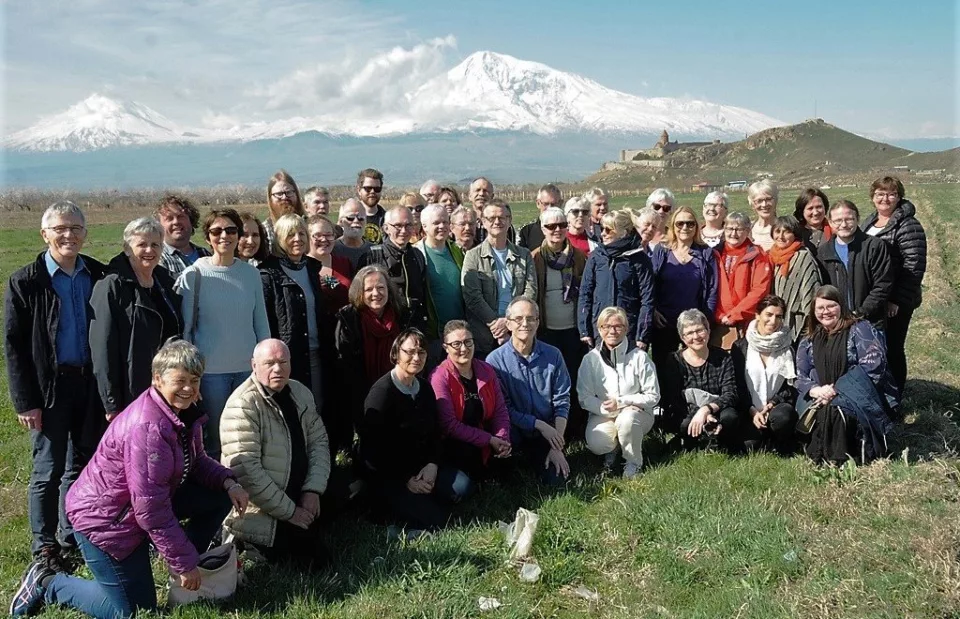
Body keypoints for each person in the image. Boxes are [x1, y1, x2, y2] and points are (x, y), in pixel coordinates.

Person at [12, 340, 249, 619]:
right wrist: (183, 563)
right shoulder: (148, 428)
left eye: (195, 380)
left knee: (217, 494)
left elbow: (195, 462)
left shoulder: (182, 412)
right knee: (132, 611)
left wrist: (228, 482)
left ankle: (179, 556)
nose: (189, 388)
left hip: (137, 508)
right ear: (157, 379)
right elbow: (151, 509)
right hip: (105, 521)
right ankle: (48, 583)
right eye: (180, 380)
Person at [5, 201, 106, 573]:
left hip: (89, 383)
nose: (69, 235)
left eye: (76, 228)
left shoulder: (97, 273)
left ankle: (71, 534)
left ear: (85, 233)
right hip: (50, 389)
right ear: (44, 234)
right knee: (47, 469)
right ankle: (44, 546)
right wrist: (25, 401)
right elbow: (13, 346)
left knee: (80, 466)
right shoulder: (26, 281)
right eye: (60, 229)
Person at [220, 339, 330, 569]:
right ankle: (248, 543)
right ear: (254, 365)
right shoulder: (242, 405)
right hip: (264, 508)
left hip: (299, 490)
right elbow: (248, 474)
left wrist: (313, 490)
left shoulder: (300, 392)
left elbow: (319, 441)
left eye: (283, 362)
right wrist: (291, 512)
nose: (278, 369)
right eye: (269, 363)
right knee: (305, 562)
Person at [177, 208, 270, 460]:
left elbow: (260, 322)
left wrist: (265, 365)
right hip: (211, 374)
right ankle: (219, 490)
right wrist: (190, 374)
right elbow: (186, 329)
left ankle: (248, 487)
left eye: (231, 230)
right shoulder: (194, 275)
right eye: (216, 231)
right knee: (216, 437)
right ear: (207, 237)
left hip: (247, 371)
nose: (224, 236)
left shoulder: (250, 274)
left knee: (247, 433)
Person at [357, 329, 452, 531]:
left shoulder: (425, 389)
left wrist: (432, 464)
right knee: (437, 520)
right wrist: (406, 479)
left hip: (422, 467)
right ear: (396, 354)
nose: (416, 358)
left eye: (422, 352)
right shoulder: (381, 394)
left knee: (462, 489)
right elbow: (373, 450)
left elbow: (435, 431)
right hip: (391, 473)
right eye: (410, 352)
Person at [89, 217, 182, 423]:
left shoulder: (165, 282)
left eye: (155, 245)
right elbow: (102, 348)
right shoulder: (111, 286)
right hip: (131, 388)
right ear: (127, 248)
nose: (149, 250)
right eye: (142, 244)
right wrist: (111, 403)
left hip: (167, 385)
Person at [795, 285, 897, 464]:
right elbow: (800, 374)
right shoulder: (808, 339)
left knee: (837, 410)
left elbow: (873, 364)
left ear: (841, 306)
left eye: (831, 306)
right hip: (820, 394)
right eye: (820, 308)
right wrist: (816, 391)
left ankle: (844, 458)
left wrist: (836, 390)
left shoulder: (860, 329)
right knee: (820, 410)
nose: (826, 312)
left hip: (858, 391)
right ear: (813, 311)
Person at [487, 298, 572, 486]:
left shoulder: (554, 355)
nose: (525, 324)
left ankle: (544, 456)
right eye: (518, 319)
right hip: (514, 429)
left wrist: (556, 444)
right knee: (506, 482)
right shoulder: (494, 361)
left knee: (556, 481)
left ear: (538, 322)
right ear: (508, 323)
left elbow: (562, 401)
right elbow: (503, 408)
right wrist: (538, 424)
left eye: (530, 318)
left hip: (547, 432)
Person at [429, 321, 512, 500]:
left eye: (468, 342)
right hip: (454, 443)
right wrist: (489, 440)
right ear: (446, 347)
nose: (463, 349)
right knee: (464, 488)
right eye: (456, 344)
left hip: (484, 436)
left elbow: (500, 409)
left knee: (512, 451)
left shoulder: (486, 370)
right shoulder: (438, 377)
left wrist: (502, 437)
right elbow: (449, 425)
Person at [860, 176, 927, 394]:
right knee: (875, 346)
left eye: (891, 194)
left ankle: (895, 395)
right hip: (875, 297)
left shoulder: (908, 225)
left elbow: (914, 266)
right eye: (880, 194)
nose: (885, 199)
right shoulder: (870, 222)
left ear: (899, 197)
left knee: (893, 348)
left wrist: (896, 299)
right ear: (873, 197)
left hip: (895, 300)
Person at [577, 307, 660, 479]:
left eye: (618, 326)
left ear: (626, 328)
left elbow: (653, 395)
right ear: (599, 329)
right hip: (604, 413)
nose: (612, 331)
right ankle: (614, 449)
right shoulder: (590, 359)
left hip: (637, 413)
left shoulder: (640, 357)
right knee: (597, 444)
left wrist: (623, 403)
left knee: (627, 420)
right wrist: (605, 408)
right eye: (606, 327)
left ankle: (633, 462)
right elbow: (584, 397)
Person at [258, 214, 326, 414]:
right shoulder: (268, 274)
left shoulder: (312, 268)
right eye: (290, 235)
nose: (297, 239)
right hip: (287, 356)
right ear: (279, 239)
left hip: (316, 352)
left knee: (316, 407)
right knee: (292, 409)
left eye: (302, 233)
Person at [531, 206, 588, 436]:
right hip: (547, 330)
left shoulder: (580, 257)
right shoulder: (534, 258)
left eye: (562, 225)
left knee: (574, 378)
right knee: (550, 382)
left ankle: (575, 427)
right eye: (551, 226)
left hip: (573, 330)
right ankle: (552, 428)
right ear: (543, 229)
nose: (557, 230)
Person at [334, 265, 411, 432]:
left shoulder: (403, 315)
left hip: (401, 391)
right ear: (359, 293)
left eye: (381, 287)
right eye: (369, 289)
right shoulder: (348, 320)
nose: (376, 293)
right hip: (363, 395)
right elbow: (346, 368)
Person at [461, 200, 537, 356]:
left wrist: (511, 323)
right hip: (485, 335)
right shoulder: (472, 256)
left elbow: (531, 291)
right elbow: (472, 297)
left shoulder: (524, 255)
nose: (497, 221)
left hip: (518, 333)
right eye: (491, 218)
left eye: (502, 217)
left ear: (509, 220)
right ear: (483, 222)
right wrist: (497, 324)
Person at [306, 214, 353, 454]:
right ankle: (319, 447)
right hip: (316, 340)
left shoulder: (343, 262)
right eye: (317, 235)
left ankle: (343, 443)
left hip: (343, 339)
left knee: (343, 392)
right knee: (319, 396)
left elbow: (352, 296)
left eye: (328, 235)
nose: (324, 240)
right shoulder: (303, 265)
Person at [649, 207, 719, 369]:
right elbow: (651, 284)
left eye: (690, 224)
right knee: (663, 367)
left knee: (693, 368)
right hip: (664, 321)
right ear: (673, 226)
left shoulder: (705, 253)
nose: (685, 228)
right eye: (680, 223)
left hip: (693, 324)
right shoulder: (662, 250)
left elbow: (712, 289)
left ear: (696, 226)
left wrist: (705, 320)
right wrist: (653, 310)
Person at [660, 309, 741, 449]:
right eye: (689, 333)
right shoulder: (674, 360)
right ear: (682, 337)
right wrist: (699, 414)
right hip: (687, 411)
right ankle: (699, 441)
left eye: (700, 330)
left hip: (718, 409)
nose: (696, 336)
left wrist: (706, 410)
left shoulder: (723, 358)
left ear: (708, 331)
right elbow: (674, 398)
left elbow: (731, 393)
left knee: (730, 417)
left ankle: (720, 443)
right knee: (685, 424)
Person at [578, 209, 655, 351]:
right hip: (600, 330)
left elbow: (647, 300)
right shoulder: (596, 257)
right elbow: (585, 294)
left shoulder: (639, 260)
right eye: (602, 229)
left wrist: (642, 336)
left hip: (628, 331)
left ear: (623, 232)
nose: (603, 234)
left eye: (608, 230)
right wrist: (584, 330)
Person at [730, 296, 798, 455]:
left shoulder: (788, 345)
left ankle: (778, 439)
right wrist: (752, 411)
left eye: (779, 316)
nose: (773, 321)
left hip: (776, 407)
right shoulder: (741, 346)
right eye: (769, 314)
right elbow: (737, 384)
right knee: (749, 447)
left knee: (783, 418)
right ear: (757, 315)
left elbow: (790, 385)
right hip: (749, 409)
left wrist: (771, 404)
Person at [817, 200, 894, 326]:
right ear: (830, 222)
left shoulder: (873, 246)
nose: (844, 224)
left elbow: (883, 284)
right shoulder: (824, 252)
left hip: (870, 322)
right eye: (838, 220)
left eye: (849, 219)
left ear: (857, 219)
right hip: (837, 322)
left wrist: (860, 313)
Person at [358, 206, 428, 329]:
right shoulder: (372, 256)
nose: (403, 230)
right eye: (398, 226)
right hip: (384, 328)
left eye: (408, 225)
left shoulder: (417, 255)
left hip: (415, 326)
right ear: (386, 228)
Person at [713, 211, 773, 349]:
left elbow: (760, 290)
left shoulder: (757, 255)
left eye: (739, 229)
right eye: (729, 228)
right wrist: (718, 314)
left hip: (746, 323)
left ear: (748, 231)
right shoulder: (714, 254)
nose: (733, 234)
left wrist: (735, 314)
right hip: (717, 321)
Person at [414, 205, 465, 347]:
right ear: (424, 226)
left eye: (445, 222)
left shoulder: (457, 250)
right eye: (436, 223)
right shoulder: (416, 254)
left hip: (459, 330)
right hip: (434, 334)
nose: (442, 226)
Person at [769, 216, 822, 343]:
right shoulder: (771, 256)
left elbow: (811, 291)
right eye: (777, 231)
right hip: (775, 322)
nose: (781, 236)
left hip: (798, 323)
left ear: (795, 234)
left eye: (786, 232)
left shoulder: (804, 256)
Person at [156, 195, 211, 279]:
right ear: (159, 226)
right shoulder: (157, 258)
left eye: (180, 216)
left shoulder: (205, 254)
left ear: (191, 221)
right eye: (169, 218)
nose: (176, 222)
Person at [264, 170, 305, 253]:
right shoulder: (264, 230)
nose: (284, 197)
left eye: (288, 192)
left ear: (296, 194)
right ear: (270, 198)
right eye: (279, 194)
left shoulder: (309, 225)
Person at [332, 198, 372, 272]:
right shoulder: (332, 249)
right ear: (341, 221)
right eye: (350, 218)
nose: (356, 221)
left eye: (361, 218)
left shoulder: (374, 250)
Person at [518, 183, 562, 250]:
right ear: (538, 203)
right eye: (546, 204)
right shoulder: (526, 231)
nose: (549, 208)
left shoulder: (567, 230)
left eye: (553, 204)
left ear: (561, 203)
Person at [747, 179, 779, 251]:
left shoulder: (786, 229)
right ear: (752, 204)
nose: (764, 205)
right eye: (759, 201)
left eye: (769, 199)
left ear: (776, 201)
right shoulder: (747, 231)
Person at [356, 168, 386, 242]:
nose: (372, 192)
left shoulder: (387, 219)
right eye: (368, 188)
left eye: (377, 189)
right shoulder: (350, 219)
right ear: (359, 190)